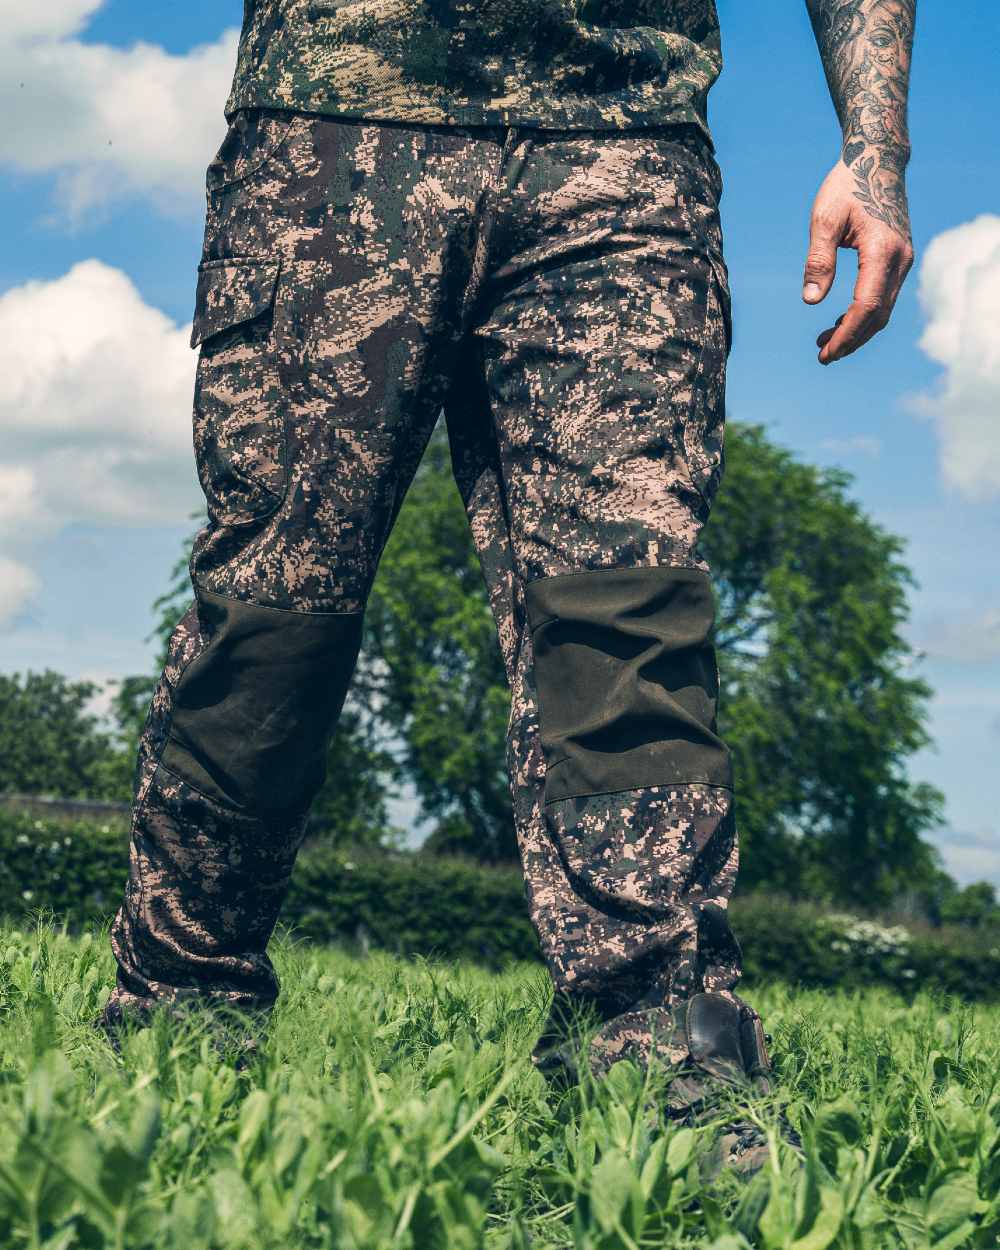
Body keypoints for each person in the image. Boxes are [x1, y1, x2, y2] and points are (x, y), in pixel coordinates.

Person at [99, 0, 915, 1149]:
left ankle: (662, 1055)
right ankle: (179, 1017)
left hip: (626, 145)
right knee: (276, 605)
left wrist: (873, 154)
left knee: (628, 614)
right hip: (339, 118)